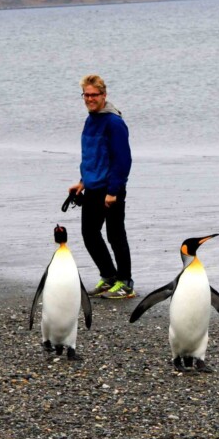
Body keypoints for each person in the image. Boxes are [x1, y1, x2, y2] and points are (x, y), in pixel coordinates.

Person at [68, 74, 135, 299]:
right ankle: (108, 277)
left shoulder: (114, 122)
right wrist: (82, 181)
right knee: (89, 233)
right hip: (93, 186)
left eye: (94, 95)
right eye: (86, 95)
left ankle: (125, 283)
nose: (89, 99)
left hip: (109, 188)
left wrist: (113, 191)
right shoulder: (91, 119)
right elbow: (91, 154)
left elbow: (122, 159)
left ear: (103, 95)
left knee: (115, 235)